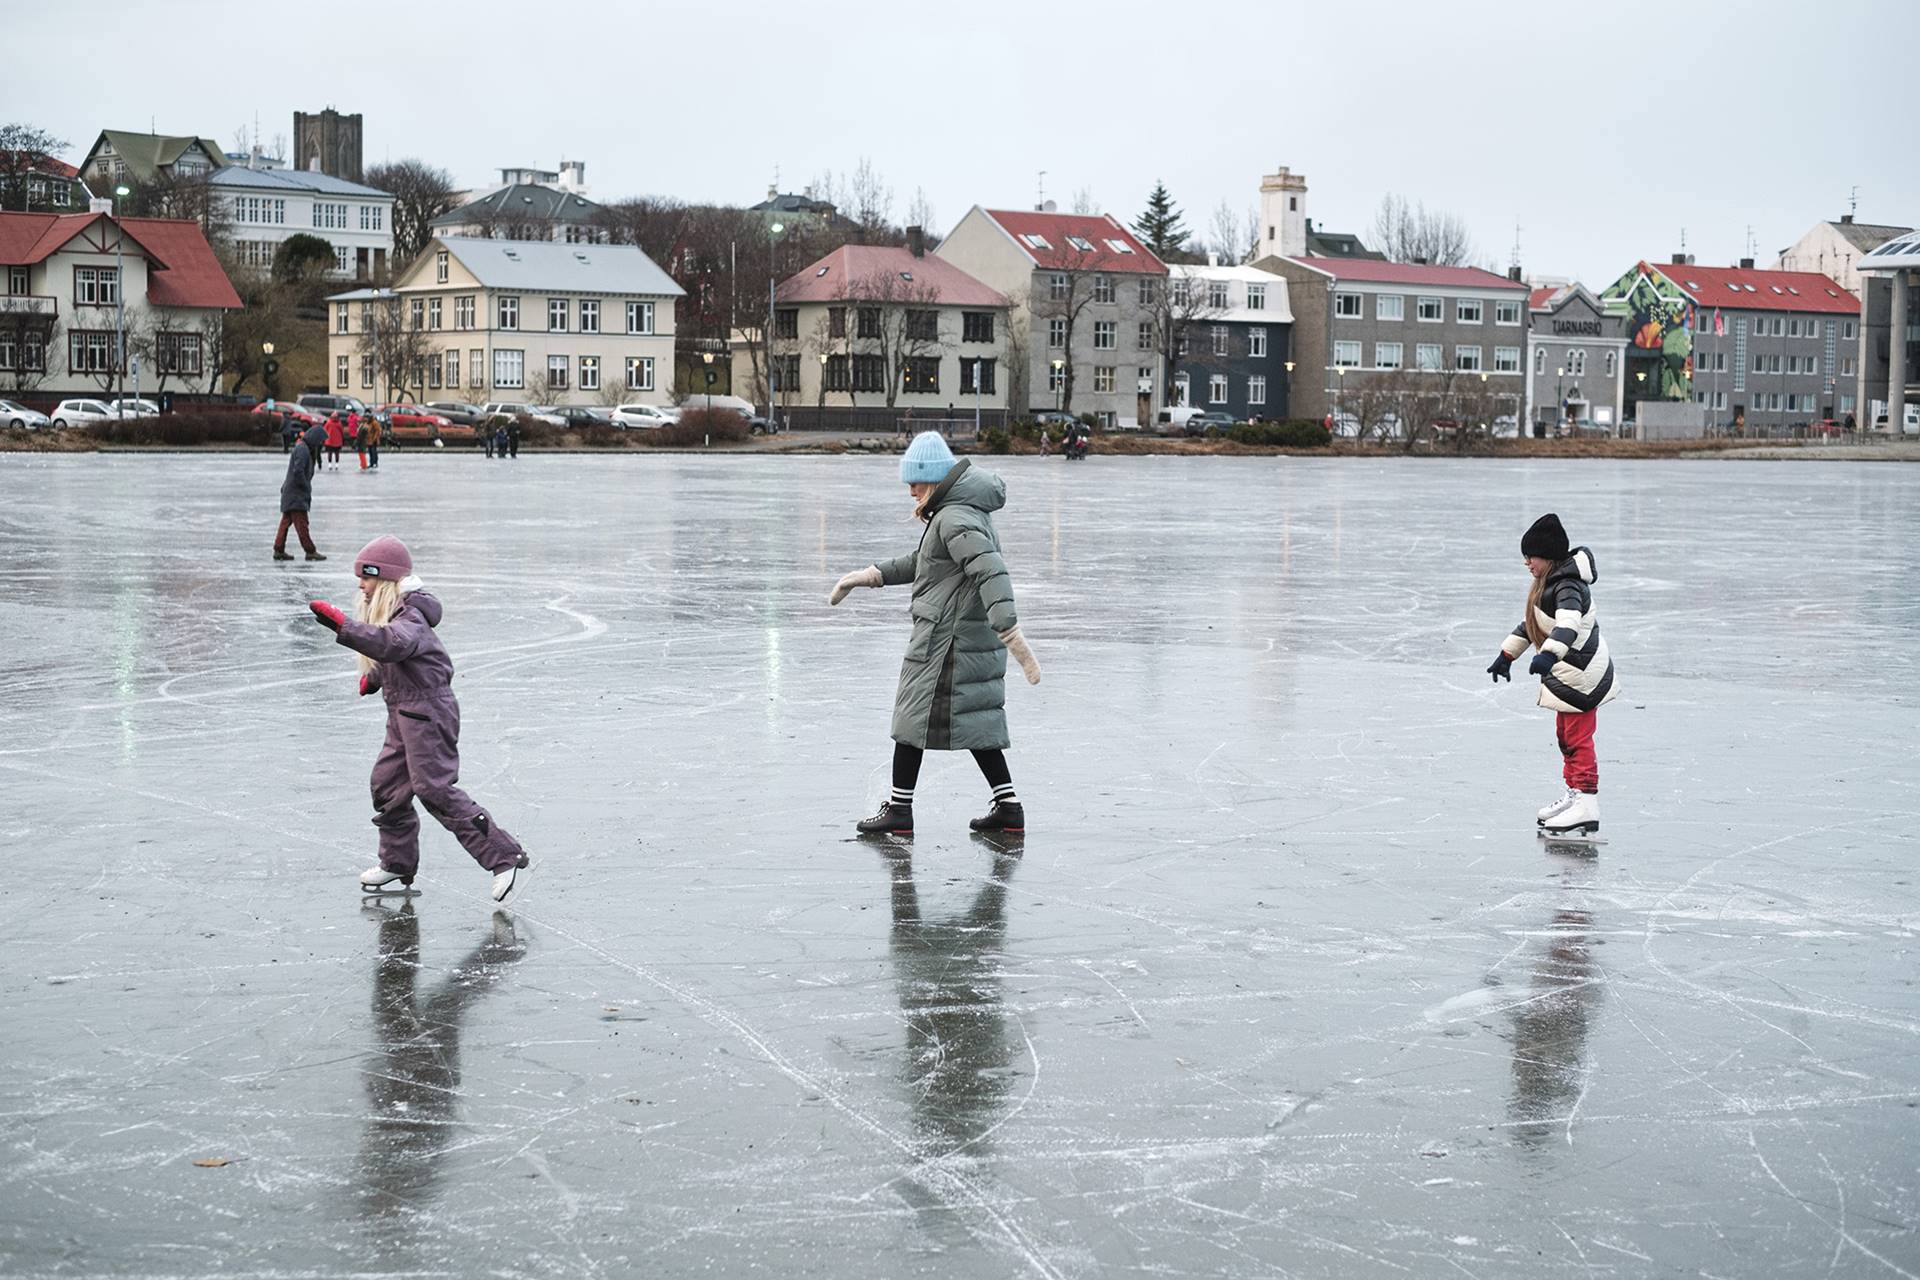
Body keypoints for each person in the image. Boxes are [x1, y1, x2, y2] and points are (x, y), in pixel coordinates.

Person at [828, 431, 1041, 836]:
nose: (910, 491)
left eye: (915, 482)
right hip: (955, 637)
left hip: (948, 642)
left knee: (912, 721)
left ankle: (899, 811)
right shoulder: (957, 512)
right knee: (975, 721)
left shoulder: (954, 516)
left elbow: (989, 570)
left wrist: (1011, 632)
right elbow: (925, 562)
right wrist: (869, 576)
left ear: (934, 478)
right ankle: (1008, 808)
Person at [307, 536, 532, 905]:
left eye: (366, 578)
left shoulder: (411, 617)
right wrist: (376, 677)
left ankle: (504, 855)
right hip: (403, 713)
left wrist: (344, 628)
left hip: (428, 715)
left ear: (385, 581)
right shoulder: (399, 615)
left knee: (434, 790)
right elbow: (396, 656)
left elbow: (394, 644)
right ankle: (397, 862)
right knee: (387, 787)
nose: (360, 586)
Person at [1486, 513, 1617, 839]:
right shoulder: (1547, 584)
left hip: (1582, 674)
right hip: (1569, 673)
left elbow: (1568, 625)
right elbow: (1531, 625)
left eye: (1531, 557)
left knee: (1578, 739)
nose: (1527, 563)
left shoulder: (1568, 586)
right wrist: (1507, 655)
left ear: (1548, 555)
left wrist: (1548, 655)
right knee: (1566, 737)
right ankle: (1575, 795)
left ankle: (1587, 803)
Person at [274, 424, 329, 562]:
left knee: (286, 522)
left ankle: (278, 549)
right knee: (302, 524)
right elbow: (298, 471)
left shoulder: (305, 448)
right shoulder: (303, 450)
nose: (321, 444)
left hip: (292, 492)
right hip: (296, 494)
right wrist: (305, 487)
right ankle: (310, 551)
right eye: (321, 441)